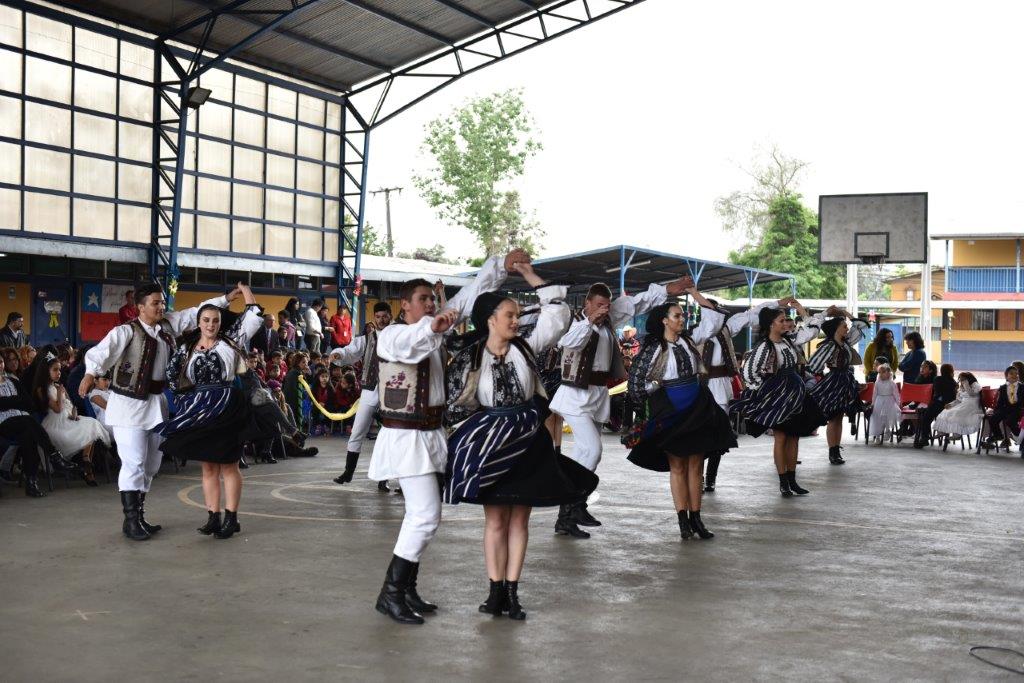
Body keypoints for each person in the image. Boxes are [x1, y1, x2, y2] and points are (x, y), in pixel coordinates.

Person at [370, 250, 519, 625]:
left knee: (418, 516)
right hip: (407, 438)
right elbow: (409, 342)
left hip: (431, 433)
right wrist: (434, 327)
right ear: (405, 305)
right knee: (425, 515)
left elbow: (467, 299)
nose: (431, 305)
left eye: (432, 299)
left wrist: (500, 267)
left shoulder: (433, 328)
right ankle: (390, 593)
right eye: (423, 299)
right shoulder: (393, 334)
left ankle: (406, 589)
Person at [445, 263, 597, 620]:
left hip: (529, 441)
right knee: (496, 520)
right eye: (509, 314)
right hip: (490, 443)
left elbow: (558, 313)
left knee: (519, 521)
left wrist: (528, 274)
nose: (516, 320)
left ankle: (512, 592)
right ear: (490, 320)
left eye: (516, 314)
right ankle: (494, 590)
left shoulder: (526, 347)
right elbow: (454, 404)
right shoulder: (470, 356)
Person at [81, 283, 240, 541]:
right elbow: (101, 352)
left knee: (152, 464)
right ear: (140, 307)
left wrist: (225, 298)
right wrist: (90, 373)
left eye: (162, 302)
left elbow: (194, 313)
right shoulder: (125, 331)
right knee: (133, 461)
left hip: (156, 404)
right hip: (129, 406)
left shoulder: (166, 326)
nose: (161, 307)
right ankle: (130, 521)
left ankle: (140, 516)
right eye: (155, 303)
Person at [548, 274, 693, 538]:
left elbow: (639, 302)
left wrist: (671, 288)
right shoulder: (576, 322)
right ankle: (577, 504)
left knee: (584, 456)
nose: (605, 310)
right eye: (600, 306)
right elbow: (568, 344)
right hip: (574, 396)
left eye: (607, 305)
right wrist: (590, 321)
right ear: (588, 303)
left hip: (597, 394)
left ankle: (566, 516)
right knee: (592, 450)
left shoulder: (609, 317)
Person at [627, 294, 736, 541]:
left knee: (696, 464)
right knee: (677, 466)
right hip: (670, 411)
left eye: (682, 315)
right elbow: (635, 382)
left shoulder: (688, 340)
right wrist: (654, 394)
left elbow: (714, 320)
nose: (682, 319)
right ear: (664, 321)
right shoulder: (653, 348)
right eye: (677, 315)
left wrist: (697, 295)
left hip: (697, 407)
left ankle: (697, 518)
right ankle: (683, 521)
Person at [158, 283, 262, 539]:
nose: (211, 324)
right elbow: (172, 376)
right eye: (205, 320)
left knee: (229, 466)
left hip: (227, 407)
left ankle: (232, 518)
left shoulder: (232, 340)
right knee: (208, 467)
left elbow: (254, 312)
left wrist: (244, 289)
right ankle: (213, 516)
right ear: (198, 322)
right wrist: (186, 403)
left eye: (215, 320)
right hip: (200, 410)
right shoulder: (186, 348)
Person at [730, 301, 826, 497]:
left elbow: (812, 332)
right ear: (771, 324)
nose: (786, 324)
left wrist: (802, 311)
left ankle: (792, 479)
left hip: (795, 392)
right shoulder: (764, 347)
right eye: (781, 320)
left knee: (794, 436)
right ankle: (783, 482)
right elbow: (748, 373)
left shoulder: (788, 340)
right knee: (781, 437)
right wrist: (765, 392)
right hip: (780, 395)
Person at [701, 298, 787, 492]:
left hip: (721, 387)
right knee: (700, 435)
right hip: (701, 387)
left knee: (718, 435)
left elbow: (750, 315)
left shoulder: (727, 329)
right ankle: (698, 475)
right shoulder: (696, 333)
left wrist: (777, 303)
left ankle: (710, 478)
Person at [0, 352, 77, 496]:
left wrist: (7, 402)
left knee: (29, 437)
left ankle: (31, 483)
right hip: (3, 423)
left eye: (0, 362)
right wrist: (16, 401)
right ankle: (55, 457)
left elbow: (29, 404)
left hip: (22, 421)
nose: (0, 365)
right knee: (29, 422)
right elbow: (18, 402)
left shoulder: (13, 382)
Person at [34, 350, 110, 487]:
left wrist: (74, 413)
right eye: (55, 370)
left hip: (68, 419)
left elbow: (70, 405)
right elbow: (57, 409)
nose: (58, 373)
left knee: (92, 423)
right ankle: (88, 471)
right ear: (46, 371)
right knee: (88, 429)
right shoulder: (42, 389)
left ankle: (86, 459)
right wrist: (59, 393)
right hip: (55, 423)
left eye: (60, 370)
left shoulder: (59, 386)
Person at [806, 308, 869, 465]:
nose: (847, 328)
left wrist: (846, 313)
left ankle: (835, 450)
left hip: (845, 380)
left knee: (839, 417)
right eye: (844, 326)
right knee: (833, 418)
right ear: (836, 329)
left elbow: (860, 325)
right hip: (834, 381)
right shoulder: (829, 345)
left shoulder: (846, 343)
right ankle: (832, 451)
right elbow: (813, 364)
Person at [914, 363, 958, 448]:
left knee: (926, 418)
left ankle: (924, 438)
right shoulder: (954, 382)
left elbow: (937, 393)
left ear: (942, 371)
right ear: (951, 372)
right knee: (933, 415)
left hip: (938, 404)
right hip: (949, 407)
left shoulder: (937, 379)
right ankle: (945, 435)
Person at [933, 371, 983, 445]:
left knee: (956, 413)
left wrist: (966, 384)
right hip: (963, 404)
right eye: (960, 379)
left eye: (963, 379)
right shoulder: (961, 388)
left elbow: (971, 394)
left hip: (972, 405)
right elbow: (958, 400)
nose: (961, 381)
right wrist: (950, 404)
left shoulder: (975, 385)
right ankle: (941, 432)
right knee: (945, 412)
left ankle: (957, 434)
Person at [984, 366, 1022, 448]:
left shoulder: (1022, 387)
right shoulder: (1003, 387)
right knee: (993, 419)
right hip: (1005, 408)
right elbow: (1000, 402)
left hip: (1016, 409)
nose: (1014, 375)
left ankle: (1020, 437)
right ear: (1006, 376)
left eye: (1016, 374)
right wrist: (996, 411)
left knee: (1010, 421)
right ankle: (998, 435)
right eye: (1011, 373)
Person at [867, 364, 901, 442]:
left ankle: (887, 431)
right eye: (879, 372)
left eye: (883, 372)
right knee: (877, 416)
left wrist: (898, 403)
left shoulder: (892, 383)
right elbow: (875, 394)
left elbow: (896, 394)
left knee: (886, 415)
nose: (880, 374)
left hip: (889, 401)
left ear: (888, 373)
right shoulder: (877, 383)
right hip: (879, 400)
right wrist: (873, 403)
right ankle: (877, 435)